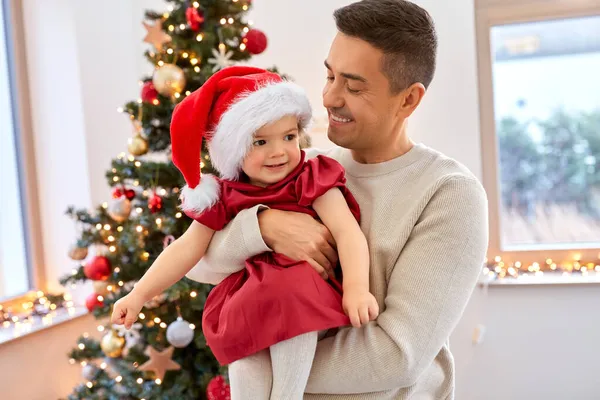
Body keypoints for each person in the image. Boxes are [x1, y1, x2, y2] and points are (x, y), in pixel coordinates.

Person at [187, 0, 489, 399]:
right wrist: (263, 228)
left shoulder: (449, 195)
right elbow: (200, 265)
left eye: (354, 85)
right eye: (329, 76)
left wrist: (261, 359)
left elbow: (396, 354)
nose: (329, 98)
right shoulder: (303, 168)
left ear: (408, 100)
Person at [110, 65, 379, 400]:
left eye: (289, 137)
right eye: (260, 142)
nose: (279, 151)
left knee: (291, 341)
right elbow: (186, 248)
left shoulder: (311, 177)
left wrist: (356, 289)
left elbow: (347, 232)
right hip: (250, 300)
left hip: (302, 298)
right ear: (233, 149)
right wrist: (139, 295)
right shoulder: (224, 195)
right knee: (245, 364)